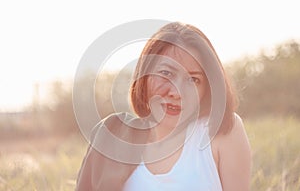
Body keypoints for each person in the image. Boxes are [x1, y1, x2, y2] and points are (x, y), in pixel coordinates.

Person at [76, 22, 252, 191]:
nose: (177, 93)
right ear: (145, 76)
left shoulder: (221, 132)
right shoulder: (113, 138)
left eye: (193, 80)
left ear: (207, 89)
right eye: (166, 73)